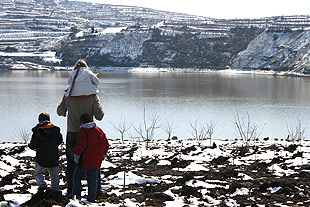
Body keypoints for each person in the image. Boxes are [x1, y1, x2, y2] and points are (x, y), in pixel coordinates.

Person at [57, 59, 104, 196]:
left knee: (72, 163)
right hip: (89, 134)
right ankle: (95, 191)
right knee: (93, 163)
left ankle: (72, 191)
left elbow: (60, 112)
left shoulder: (69, 93)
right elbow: (100, 116)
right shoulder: (92, 94)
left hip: (72, 132)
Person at [72, 113, 109, 202]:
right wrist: (103, 155)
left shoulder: (83, 130)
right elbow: (106, 144)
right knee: (92, 180)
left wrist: (76, 157)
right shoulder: (99, 130)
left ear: (81, 121)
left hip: (85, 161)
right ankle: (91, 199)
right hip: (96, 162)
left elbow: (80, 145)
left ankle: (77, 196)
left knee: (76, 177)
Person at [28, 112, 63, 193]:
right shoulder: (56, 129)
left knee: (37, 173)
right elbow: (60, 141)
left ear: (39, 120)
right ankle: (55, 192)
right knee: (54, 177)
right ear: (49, 120)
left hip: (41, 157)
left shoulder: (37, 130)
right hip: (53, 157)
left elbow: (33, 145)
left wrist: (30, 145)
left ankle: (42, 183)